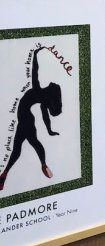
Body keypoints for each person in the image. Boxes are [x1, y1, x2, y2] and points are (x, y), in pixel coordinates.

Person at [0, 46, 63, 191]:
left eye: (53, 86)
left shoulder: (37, 90)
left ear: (51, 91)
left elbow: (35, 71)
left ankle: (5, 174)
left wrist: (35, 55)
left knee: (20, 147)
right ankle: (42, 164)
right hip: (27, 119)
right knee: (31, 143)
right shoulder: (43, 98)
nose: (52, 83)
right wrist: (49, 130)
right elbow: (45, 116)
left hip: (25, 118)